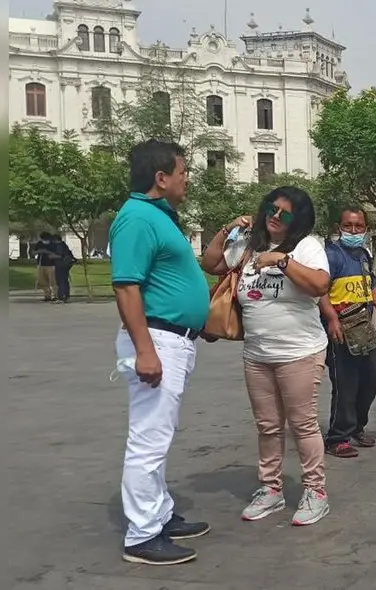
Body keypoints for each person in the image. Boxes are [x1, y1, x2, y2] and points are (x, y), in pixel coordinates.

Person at [200, 187, 332, 526]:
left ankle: (315, 491)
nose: (275, 217)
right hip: (257, 354)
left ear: (298, 220)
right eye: (271, 209)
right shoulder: (249, 245)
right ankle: (271, 489)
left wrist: (282, 261)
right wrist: (229, 228)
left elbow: (320, 285)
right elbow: (211, 263)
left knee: (303, 424)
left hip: (299, 352)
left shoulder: (307, 246)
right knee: (268, 426)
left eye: (284, 214)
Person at [110, 139, 211, 565]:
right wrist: (144, 350)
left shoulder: (157, 215)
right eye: (183, 172)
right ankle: (142, 535)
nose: (187, 179)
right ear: (161, 177)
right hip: (157, 340)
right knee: (149, 439)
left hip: (173, 338)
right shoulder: (136, 218)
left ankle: (160, 514)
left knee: (159, 435)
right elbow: (126, 286)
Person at [320, 207, 376, 458]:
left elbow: (371, 284)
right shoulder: (331, 256)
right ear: (338, 228)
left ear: (366, 228)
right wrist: (331, 319)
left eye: (359, 226)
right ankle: (337, 437)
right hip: (340, 331)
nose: (353, 231)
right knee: (345, 384)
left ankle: (356, 426)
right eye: (348, 226)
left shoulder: (363, 254)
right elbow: (320, 291)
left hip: (363, 329)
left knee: (373, 378)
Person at [33, 232, 58, 301]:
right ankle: (47, 295)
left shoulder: (53, 244)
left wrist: (46, 251)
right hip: (41, 264)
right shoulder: (39, 244)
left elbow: (56, 254)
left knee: (53, 281)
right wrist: (39, 251)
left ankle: (55, 295)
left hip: (51, 265)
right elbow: (34, 252)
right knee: (42, 281)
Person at [52, 235, 76, 302]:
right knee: (64, 280)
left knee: (60, 280)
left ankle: (61, 296)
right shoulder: (64, 245)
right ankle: (66, 295)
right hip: (65, 265)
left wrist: (52, 256)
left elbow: (59, 255)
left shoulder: (59, 246)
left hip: (60, 265)